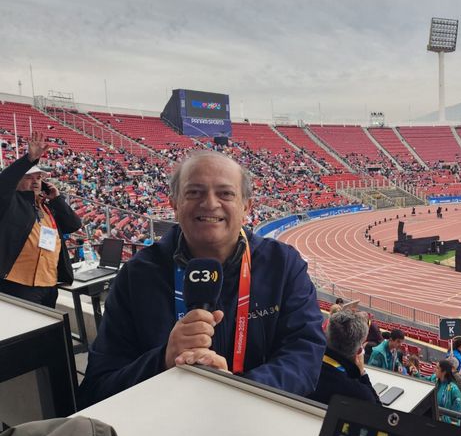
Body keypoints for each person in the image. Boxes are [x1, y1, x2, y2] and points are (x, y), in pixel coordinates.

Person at [78, 151, 325, 406]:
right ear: (174, 204)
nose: (209, 203)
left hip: (255, 422)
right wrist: (163, 359)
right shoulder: (136, 275)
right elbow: (99, 385)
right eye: (194, 192)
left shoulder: (283, 265)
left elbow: (304, 357)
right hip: (163, 426)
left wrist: (238, 391)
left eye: (225, 193)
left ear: (246, 206)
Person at [0, 132, 82, 308]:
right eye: (29, 177)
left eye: (38, 178)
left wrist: (56, 199)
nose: (36, 182)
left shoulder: (47, 206)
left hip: (48, 283)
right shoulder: (9, 202)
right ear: (17, 181)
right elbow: (3, 183)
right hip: (18, 284)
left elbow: (74, 225)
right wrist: (29, 159)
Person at [309, 310, 380, 405]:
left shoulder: (300, 362)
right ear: (359, 351)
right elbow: (377, 411)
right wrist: (362, 373)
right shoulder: (360, 394)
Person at [425, 359, 461, 425]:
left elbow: (456, 414)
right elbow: (423, 381)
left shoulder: (454, 389)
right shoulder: (434, 378)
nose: (435, 369)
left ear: (444, 372)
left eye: (437, 368)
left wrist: (443, 420)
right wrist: (416, 373)